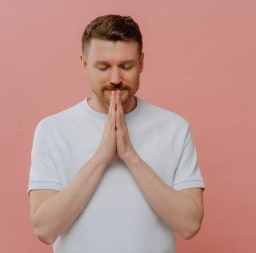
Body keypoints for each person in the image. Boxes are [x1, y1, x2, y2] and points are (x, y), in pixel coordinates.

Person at [27, 14, 205, 253]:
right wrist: (102, 155)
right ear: (84, 64)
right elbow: (45, 230)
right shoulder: (52, 130)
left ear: (141, 63)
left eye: (126, 66)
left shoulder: (174, 127)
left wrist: (130, 155)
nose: (115, 79)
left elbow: (190, 224)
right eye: (103, 67)